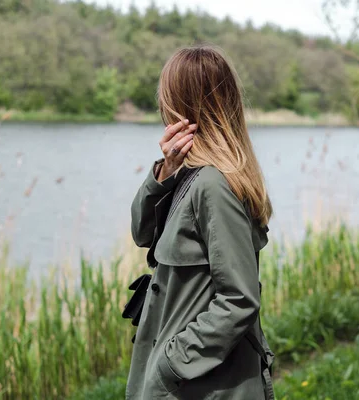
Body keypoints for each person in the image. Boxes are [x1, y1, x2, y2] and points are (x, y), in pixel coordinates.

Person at [126, 45, 274, 400]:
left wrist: (170, 364)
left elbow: (239, 299)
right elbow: (141, 232)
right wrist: (164, 172)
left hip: (200, 386)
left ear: (183, 105)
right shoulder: (186, 175)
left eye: (166, 93)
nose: (161, 102)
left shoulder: (213, 185)